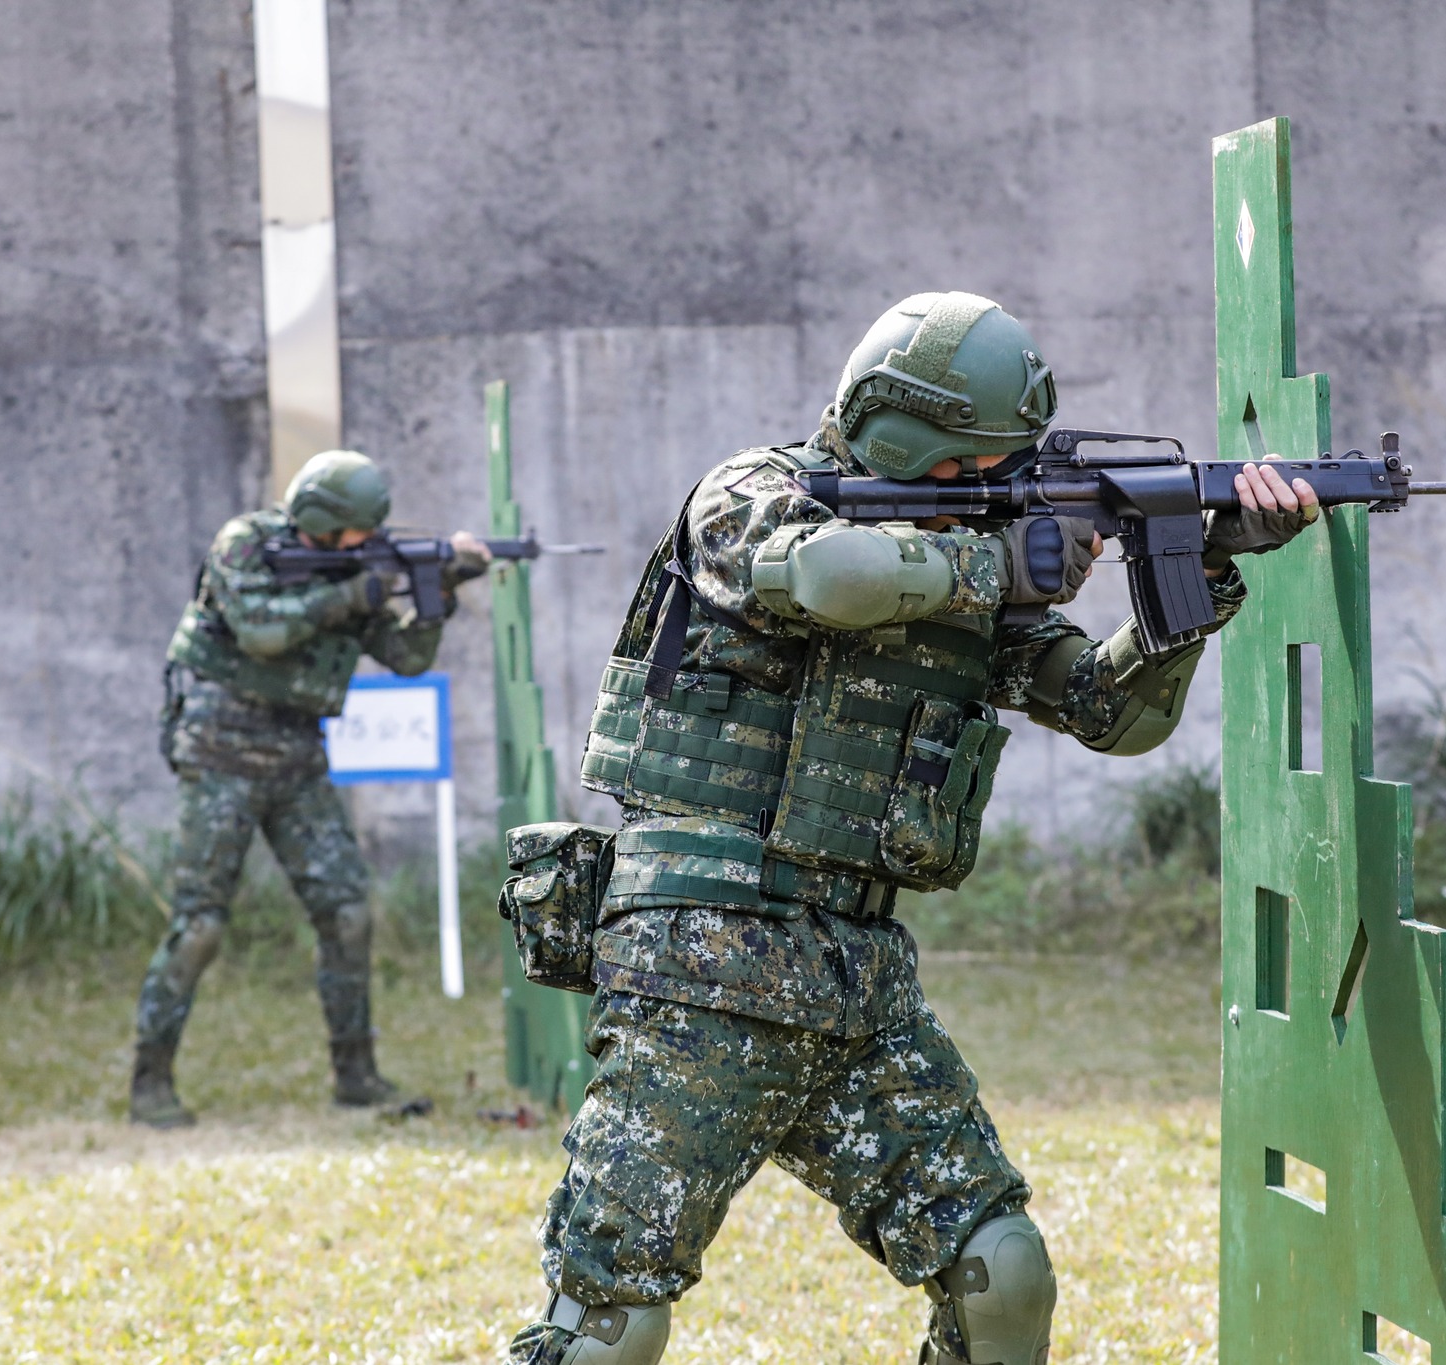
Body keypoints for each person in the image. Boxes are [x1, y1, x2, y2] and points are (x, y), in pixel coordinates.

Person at [506, 292, 1319, 1363]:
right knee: (606, 1323)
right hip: (700, 962)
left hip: (857, 978)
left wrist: (1201, 571)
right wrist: (1003, 565)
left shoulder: (967, 565)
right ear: (903, 428)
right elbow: (830, 577)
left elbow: (1110, 715)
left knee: (1001, 1275)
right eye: (975, 461)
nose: (990, 486)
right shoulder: (753, 494)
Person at [129, 450, 492, 1129]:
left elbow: (409, 657)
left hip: (296, 755)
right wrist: (354, 595)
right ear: (323, 522)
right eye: (356, 531)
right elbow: (262, 632)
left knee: (348, 910)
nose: (364, 544)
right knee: (201, 923)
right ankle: (150, 1083)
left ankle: (355, 1076)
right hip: (219, 755)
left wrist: (438, 588)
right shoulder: (245, 544)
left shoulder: (363, 564)